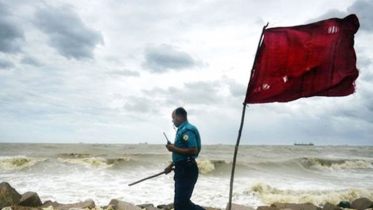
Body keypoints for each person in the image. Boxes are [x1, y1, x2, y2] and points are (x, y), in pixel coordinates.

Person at [164, 107, 205, 210]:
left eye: (173, 118)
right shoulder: (181, 130)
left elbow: (193, 150)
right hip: (182, 168)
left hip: (187, 169)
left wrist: (174, 148)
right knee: (180, 203)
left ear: (179, 117)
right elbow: (182, 152)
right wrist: (171, 165)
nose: (172, 121)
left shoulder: (187, 130)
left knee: (182, 203)